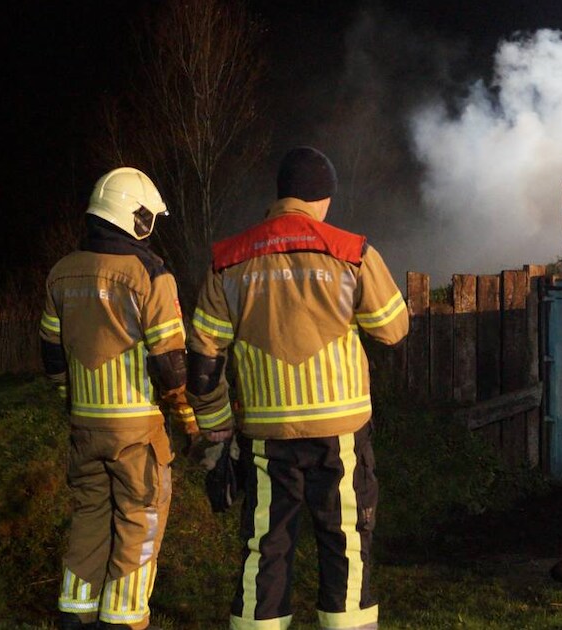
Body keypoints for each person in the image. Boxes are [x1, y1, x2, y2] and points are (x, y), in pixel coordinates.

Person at [186, 147, 409, 630]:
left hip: (267, 439)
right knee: (346, 543)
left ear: (281, 195)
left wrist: (217, 434)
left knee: (265, 547)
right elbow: (393, 327)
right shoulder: (352, 252)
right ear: (322, 197)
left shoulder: (228, 261)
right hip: (341, 435)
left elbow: (203, 364)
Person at [40, 167, 195, 630]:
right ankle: (122, 620)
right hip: (137, 431)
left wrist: (75, 403)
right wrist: (187, 421)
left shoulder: (61, 273)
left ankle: (75, 614)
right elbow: (171, 367)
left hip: (84, 428)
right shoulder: (150, 274)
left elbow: (52, 359)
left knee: (88, 519)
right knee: (139, 524)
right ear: (135, 217)